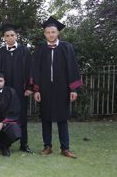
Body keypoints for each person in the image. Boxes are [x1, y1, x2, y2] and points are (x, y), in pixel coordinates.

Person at [32, 16, 82, 159]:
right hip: (45, 88)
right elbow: (35, 70)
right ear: (44, 34)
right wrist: (36, 89)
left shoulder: (67, 47)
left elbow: (72, 68)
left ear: (58, 32)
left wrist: (73, 89)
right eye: (48, 32)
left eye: (53, 32)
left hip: (63, 88)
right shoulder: (40, 48)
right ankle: (47, 146)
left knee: (62, 118)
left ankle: (65, 148)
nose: (51, 35)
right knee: (46, 118)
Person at [0, 23, 33, 153]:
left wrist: (29, 87)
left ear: (16, 36)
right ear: (4, 37)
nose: (10, 38)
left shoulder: (24, 51)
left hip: (21, 90)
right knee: (3, 116)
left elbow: (30, 70)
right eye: (7, 36)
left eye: (12, 35)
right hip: (4, 91)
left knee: (22, 116)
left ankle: (24, 144)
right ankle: (4, 144)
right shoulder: (0, 53)